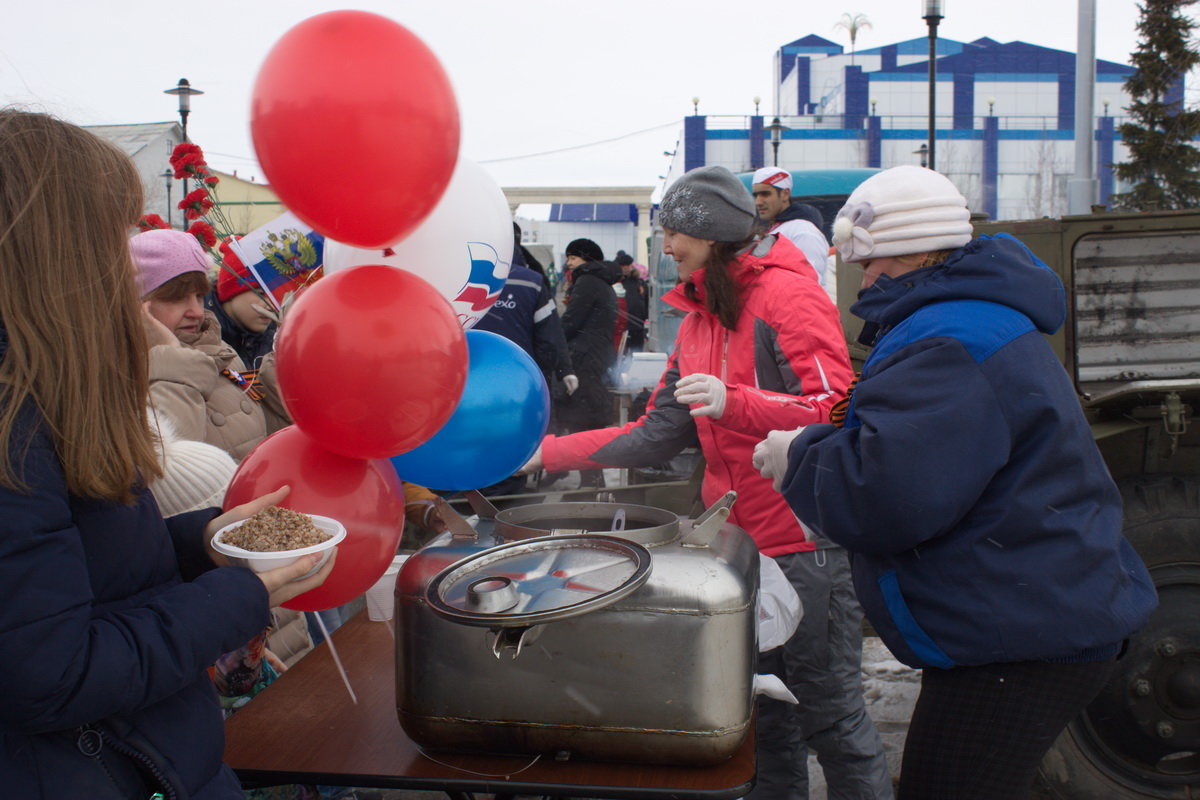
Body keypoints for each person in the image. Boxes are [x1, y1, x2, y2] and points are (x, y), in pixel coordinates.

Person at [754, 165, 1158, 800]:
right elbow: (908, 448)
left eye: (870, 262)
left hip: (1018, 636)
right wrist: (821, 443)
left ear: (912, 249)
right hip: (1031, 610)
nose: (864, 280)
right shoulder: (969, 318)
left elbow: (886, 498)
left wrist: (799, 458)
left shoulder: (946, 338)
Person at [524, 166, 892, 799]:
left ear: (714, 234)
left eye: (674, 232)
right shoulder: (698, 318)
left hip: (807, 543)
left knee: (830, 714)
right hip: (741, 547)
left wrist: (736, 403)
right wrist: (544, 452)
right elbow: (655, 432)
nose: (665, 246)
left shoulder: (789, 297)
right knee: (765, 714)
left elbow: (839, 409)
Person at [0, 108, 333, 800]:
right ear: (53, 255)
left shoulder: (52, 392)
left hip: (159, 756)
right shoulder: (15, 423)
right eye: (114, 237)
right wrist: (240, 593)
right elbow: (53, 672)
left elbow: (84, 567)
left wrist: (199, 542)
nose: (124, 262)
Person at [133, 229, 285, 461]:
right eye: (176, 297)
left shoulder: (217, 348)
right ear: (136, 305)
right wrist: (172, 358)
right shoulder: (129, 371)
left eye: (199, 296)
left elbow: (263, 425)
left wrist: (286, 359)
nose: (196, 311)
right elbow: (173, 463)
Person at [556, 237, 620, 489]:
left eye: (573, 258)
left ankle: (590, 483)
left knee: (582, 420)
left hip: (584, 359)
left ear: (586, 259)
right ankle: (592, 480)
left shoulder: (587, 281)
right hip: (599, 357)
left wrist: (555, 342)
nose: (569, 263)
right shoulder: (603, 282)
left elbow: (572, 322)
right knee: (590, 420)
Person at [751, 167, 834, 297]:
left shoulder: (803, 231)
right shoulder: (775, 228)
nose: (758, 202)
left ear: (785, 194)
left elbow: (808, 284)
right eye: (755, 195)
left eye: (765, 194)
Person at [614, 250, 649, 352]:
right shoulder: (616, 283)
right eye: (623, 266)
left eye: (628, 265)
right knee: (621, 353)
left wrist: (644, 317)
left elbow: (646, 302)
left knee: (637, 353)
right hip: (621, 325)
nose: (626, 268)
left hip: (637, 325)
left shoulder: (640, 282)